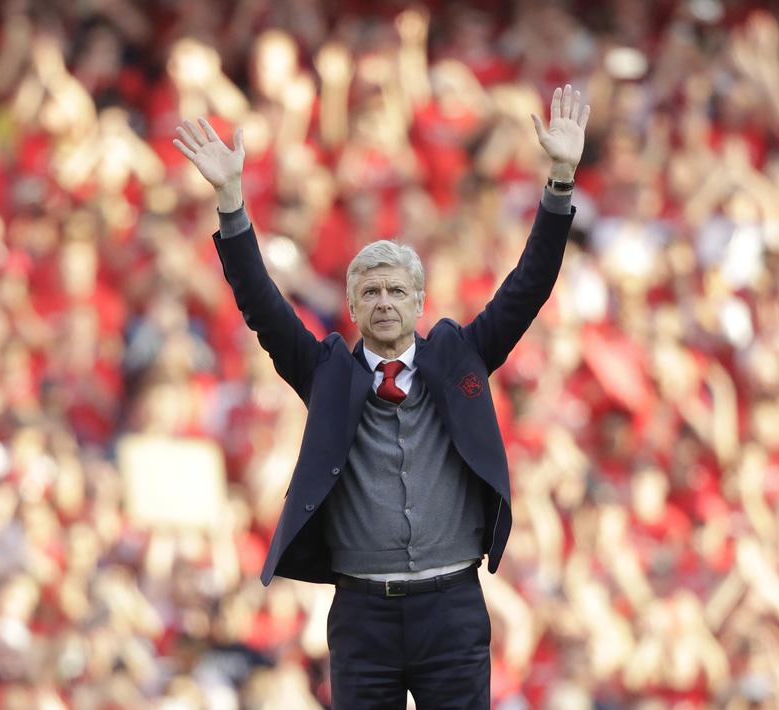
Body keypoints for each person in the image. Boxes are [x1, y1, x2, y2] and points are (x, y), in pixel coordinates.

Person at [177, 84, 587, 707]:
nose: (385, 303)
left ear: (419, 302)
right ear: (351, 305)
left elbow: (529, 286)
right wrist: (232, 203)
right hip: (363, 613)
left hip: (452, 606)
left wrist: (558, 182)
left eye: (397, 291)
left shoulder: (460, 358)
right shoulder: (327, 373)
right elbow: (262, 306)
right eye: (371, 292)